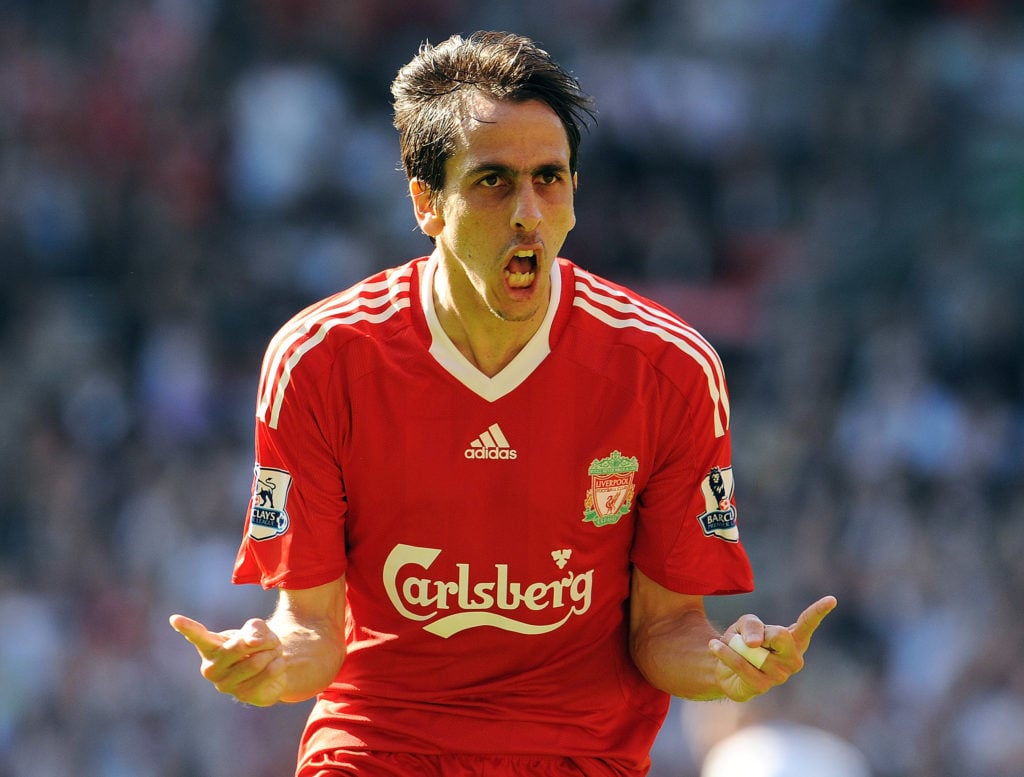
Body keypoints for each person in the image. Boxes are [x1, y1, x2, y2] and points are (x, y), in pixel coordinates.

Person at [170, 30, 837, 777]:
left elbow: (666, 629)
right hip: (382, 749)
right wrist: (270, 660)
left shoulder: (670, 369)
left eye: (550, 178)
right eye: (493, 181)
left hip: (578, 755)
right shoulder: (320, 361)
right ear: (426, 201)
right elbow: (312, 630)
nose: (528, 211)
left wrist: (721, 662)